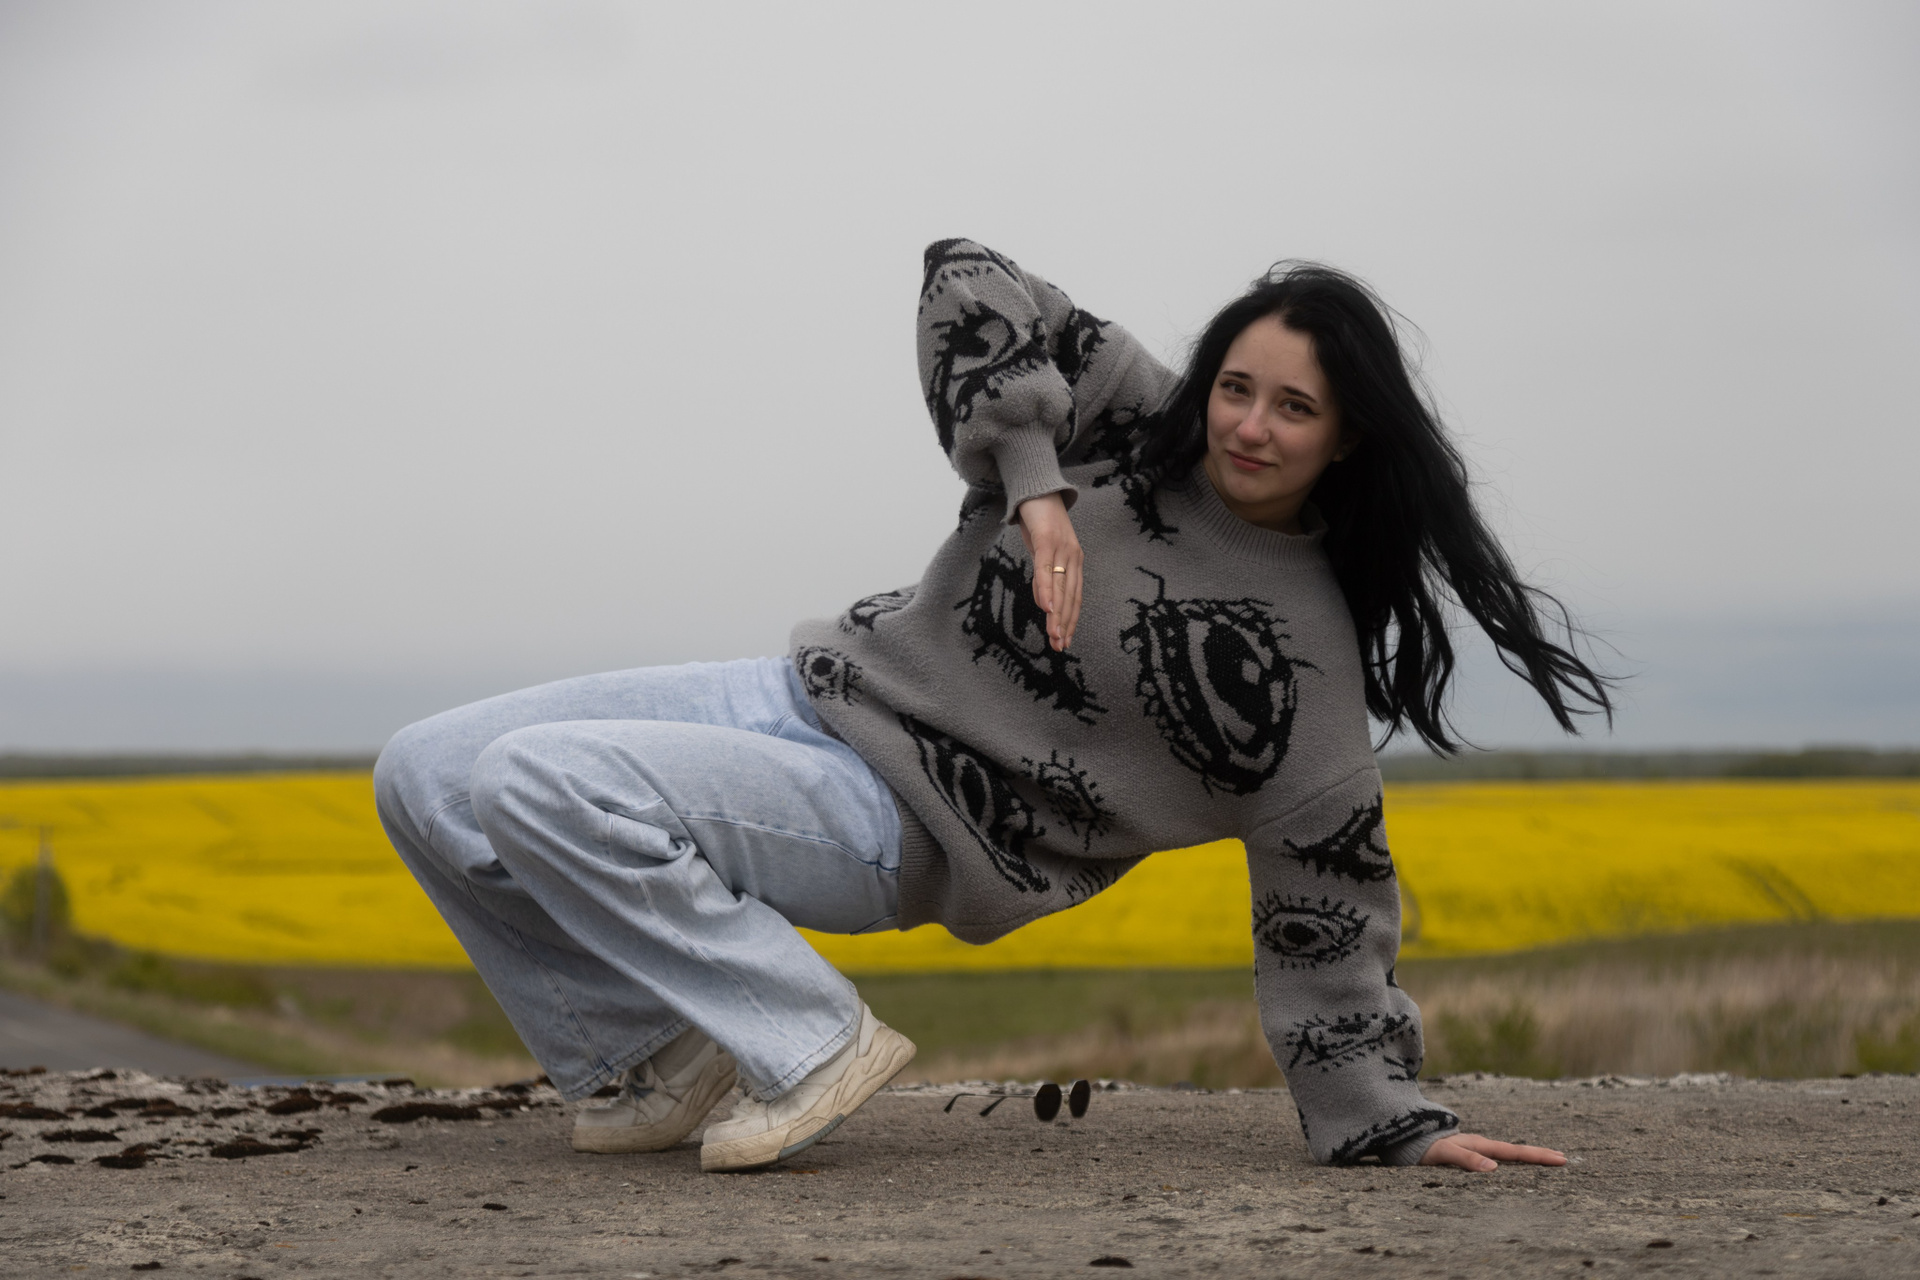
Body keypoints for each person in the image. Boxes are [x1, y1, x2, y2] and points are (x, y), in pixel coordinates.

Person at [374, 238, 1610, 1175]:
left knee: (537, 782)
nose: (1247, 425)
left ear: (1346, 437)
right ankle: (652, 1057)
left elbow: (1330, 922)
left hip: (911, 814)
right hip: (814, 685)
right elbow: (964, 273)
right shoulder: (1135, 421)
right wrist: (1035, 480)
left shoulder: (1305, 673)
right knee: (424, 773)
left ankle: (807, 1039)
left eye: (1294, 408)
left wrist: (1392, 1120)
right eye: (1238, 387)